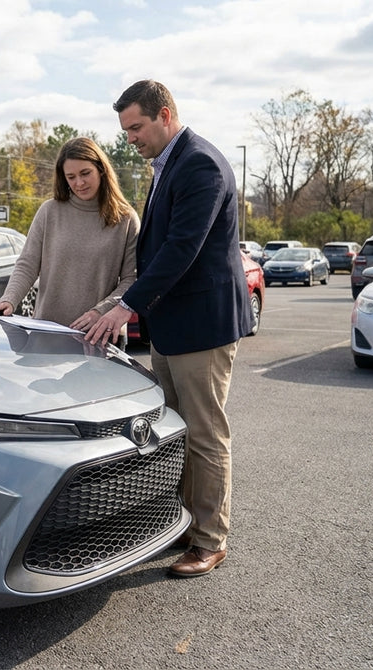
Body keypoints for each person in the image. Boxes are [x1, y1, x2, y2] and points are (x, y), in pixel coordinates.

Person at [86, 79, 252, 578]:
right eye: (125, 129)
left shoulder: (199, 163)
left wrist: (125, 307)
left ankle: (209, 539)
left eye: (136, 127)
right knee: (175, 431)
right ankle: (180, 526)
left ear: (165, 114)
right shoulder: (167, 164)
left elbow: (182, 249)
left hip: (202, 327)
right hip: (174, 326)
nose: (130, 138)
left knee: (203, 434)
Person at [0, 136, 139, 340]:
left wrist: (100, 311)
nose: (79, 183)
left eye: (85, 173)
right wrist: (9, 299)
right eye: (71, 177)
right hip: (47, 333)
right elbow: (27, 264)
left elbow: (131, 279)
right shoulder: (50, 211)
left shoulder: (126, 219)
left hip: (99, 337)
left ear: (101, 170)